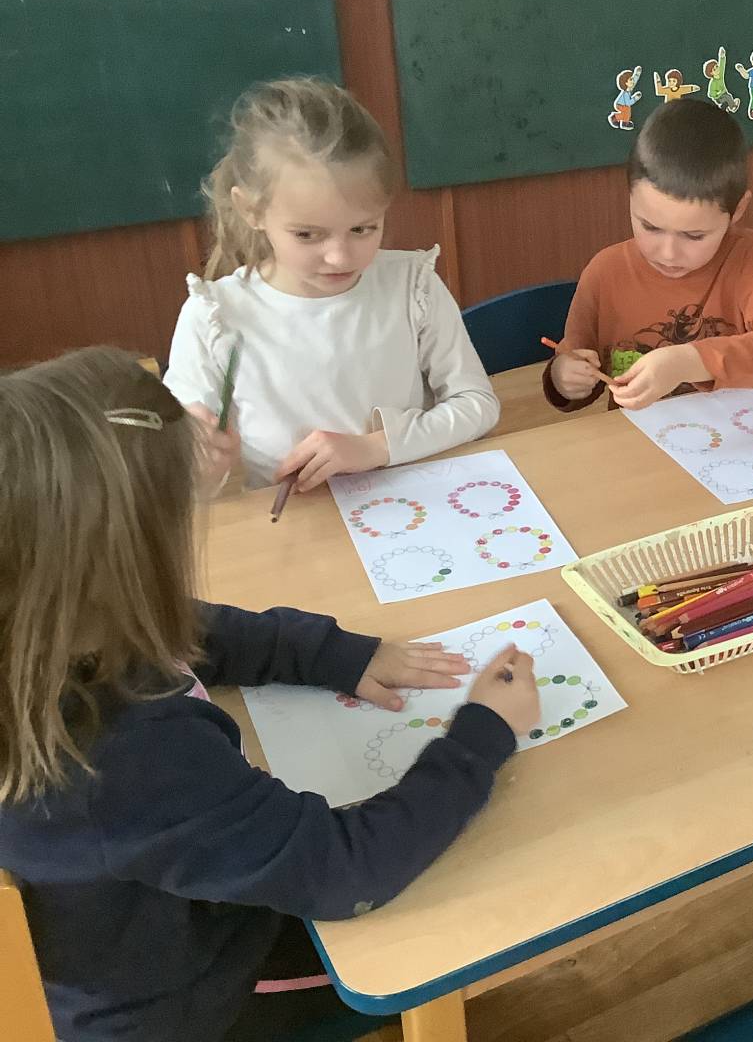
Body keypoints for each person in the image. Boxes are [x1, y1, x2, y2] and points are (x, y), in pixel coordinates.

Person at [0, 348, 542, 1041]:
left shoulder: (40, 627)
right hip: (202, 998)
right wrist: (480, 737)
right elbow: (348, 872)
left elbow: (190, 627)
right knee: (481, 909)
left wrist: (336, 655)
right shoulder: (124, 758)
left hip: (139, 942)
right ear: (121, 564)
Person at [164, 78, 498, 494]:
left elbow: (477, 405)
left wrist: (376, 447)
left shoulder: (413, 285)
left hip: (416, 503)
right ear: (251, 210)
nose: (340, 257)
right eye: (307, 235)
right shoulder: (213, 315)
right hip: (296, 522)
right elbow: (179, 476)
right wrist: (202, 465)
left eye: (363, 228)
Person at [544, 98, 753, 413]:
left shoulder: (751, 260)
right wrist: (564, 377)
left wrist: (688, 362)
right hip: (638, 437)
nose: (668, 253)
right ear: (630, 198)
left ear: (737, 211)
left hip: (736, 431)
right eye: (650, 227)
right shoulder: (604, 273)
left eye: (694, 236)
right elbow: (578, 365)